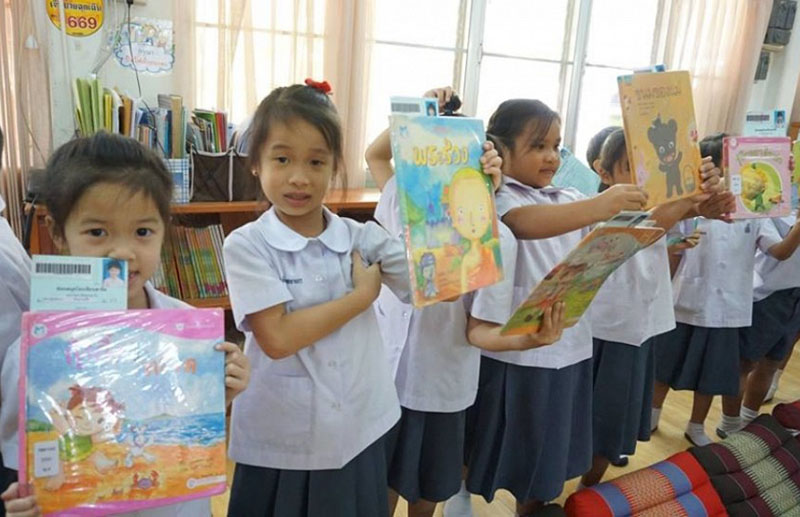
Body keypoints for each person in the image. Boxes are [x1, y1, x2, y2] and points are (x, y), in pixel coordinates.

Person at [0, 132, 250, 517]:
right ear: (57, 233)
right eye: (97, 232)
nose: (122, 252)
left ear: (165, 229)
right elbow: (28, 459)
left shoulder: (187, 331)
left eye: (142, 232)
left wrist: (222, 393)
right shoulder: (35, 351)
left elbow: (189, 418)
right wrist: (29, 500)